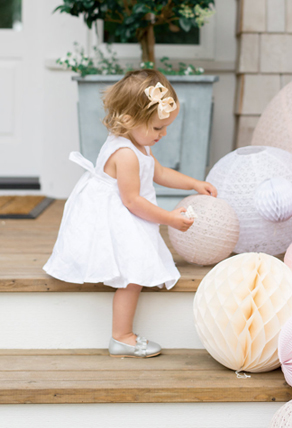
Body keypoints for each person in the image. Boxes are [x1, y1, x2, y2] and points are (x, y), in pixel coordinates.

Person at [43, 69, 217, 358]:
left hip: (125, 208)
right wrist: (170, 219)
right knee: (132, 273)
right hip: (116, 213)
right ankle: (122, 336)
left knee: (135, 264)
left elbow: (159, 172)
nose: (163, 134)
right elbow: (133, 201)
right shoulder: (125, 154)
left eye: (166, 127)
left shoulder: (139, 144)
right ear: (129, 120)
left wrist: (194, 183)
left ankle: (122, 335)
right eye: (158, 128)